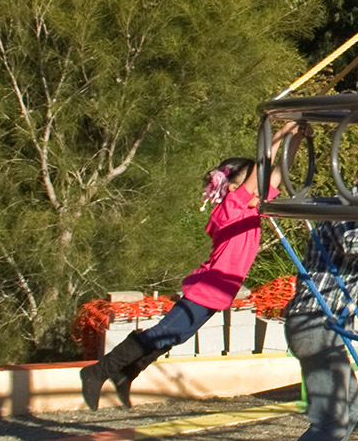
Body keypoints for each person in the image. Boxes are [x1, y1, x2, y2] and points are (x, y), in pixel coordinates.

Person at [80, 121, 306, 410]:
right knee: (163, 332)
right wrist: (278, 137)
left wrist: (297, 139)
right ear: (236, 187)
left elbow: (277, 175)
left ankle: (126, 373)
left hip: (219, 292)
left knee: (176, 335)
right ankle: (97, 372)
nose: (260, 189)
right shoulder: (231, 209)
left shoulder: (252, 211)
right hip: (207, 288)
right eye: (252, 184)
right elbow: (265, 168)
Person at [284, 150, 358, 441]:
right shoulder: (340, 207)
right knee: (331, 420)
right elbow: (352, 243)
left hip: (331, 327)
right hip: (313, 321)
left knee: (350, 411)